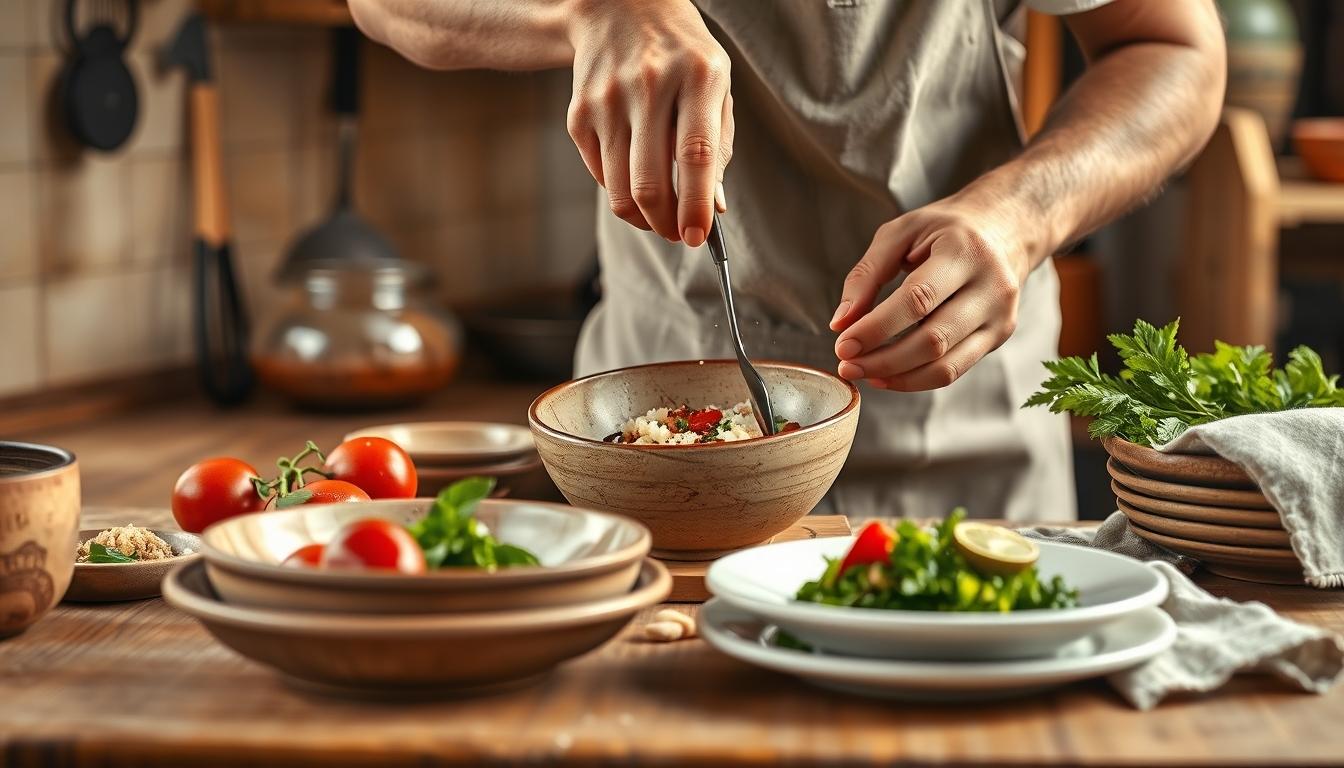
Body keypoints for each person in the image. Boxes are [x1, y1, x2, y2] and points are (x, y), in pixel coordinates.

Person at [349, 0, 1226, 521]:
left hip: (971, 443)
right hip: (653, 468)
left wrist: (1026, 214)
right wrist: (597, 9)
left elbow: (1173, 44)